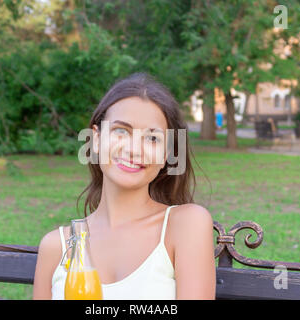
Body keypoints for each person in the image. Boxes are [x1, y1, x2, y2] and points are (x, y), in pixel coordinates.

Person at [33, 72, 216, 300]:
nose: (134, 149)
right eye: (121, 131)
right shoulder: (55, 247)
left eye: (152, 138)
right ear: (96, 139)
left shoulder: (185, 225)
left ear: (167, 154)